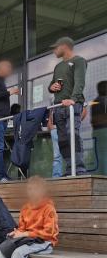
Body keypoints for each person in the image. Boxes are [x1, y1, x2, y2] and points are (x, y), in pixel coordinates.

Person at [48, 37, 87, 175]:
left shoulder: (78, 61)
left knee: (73, 135)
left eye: (56, 47)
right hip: (58, 107)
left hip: (72, 106)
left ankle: (79, 169)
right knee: (63, 140)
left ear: (64, 46)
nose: (54, 50)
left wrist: (73, 99)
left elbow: (79, 82)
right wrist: (52, 87)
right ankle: (70, 169)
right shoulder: (58, 66)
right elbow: (51, 85)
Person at [47, 110, 63, 178]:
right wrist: (52, 128)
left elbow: (83, 110)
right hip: (56, 130)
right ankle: (56, 177)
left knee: (72, 154)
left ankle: (74, 174)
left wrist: (75, 125)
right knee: (57, 157)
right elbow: (51, 115)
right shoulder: (55, 102)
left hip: (68, 128)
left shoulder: (73, 100)